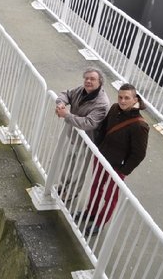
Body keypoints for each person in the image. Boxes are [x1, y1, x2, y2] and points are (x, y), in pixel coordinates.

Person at [85, 83, 149, 235]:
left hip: (117, 166)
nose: (122, 101)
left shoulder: (140, 125)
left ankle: (100, 223)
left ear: (135, 100)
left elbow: (139, 154)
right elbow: (103, 129)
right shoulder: (114, 108)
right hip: (102, 157)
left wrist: (123, 171)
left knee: (110, 196)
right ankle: (91, 212)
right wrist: (99, 147)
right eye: (120, 97)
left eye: (127, 98)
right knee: (96, 185)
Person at [55, 68, 110, 201]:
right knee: (68, 163)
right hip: (72, 135)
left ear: (100, 82)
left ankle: (72, 193)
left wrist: (66, 115)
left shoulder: (102, 103)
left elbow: (88, 123)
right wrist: (61, 103)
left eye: (92, 79)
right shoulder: (81, 90)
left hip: (87, 142)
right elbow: (67, 94)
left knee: (78, 171)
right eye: (86, 78)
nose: (88, 81)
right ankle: (63, 186)